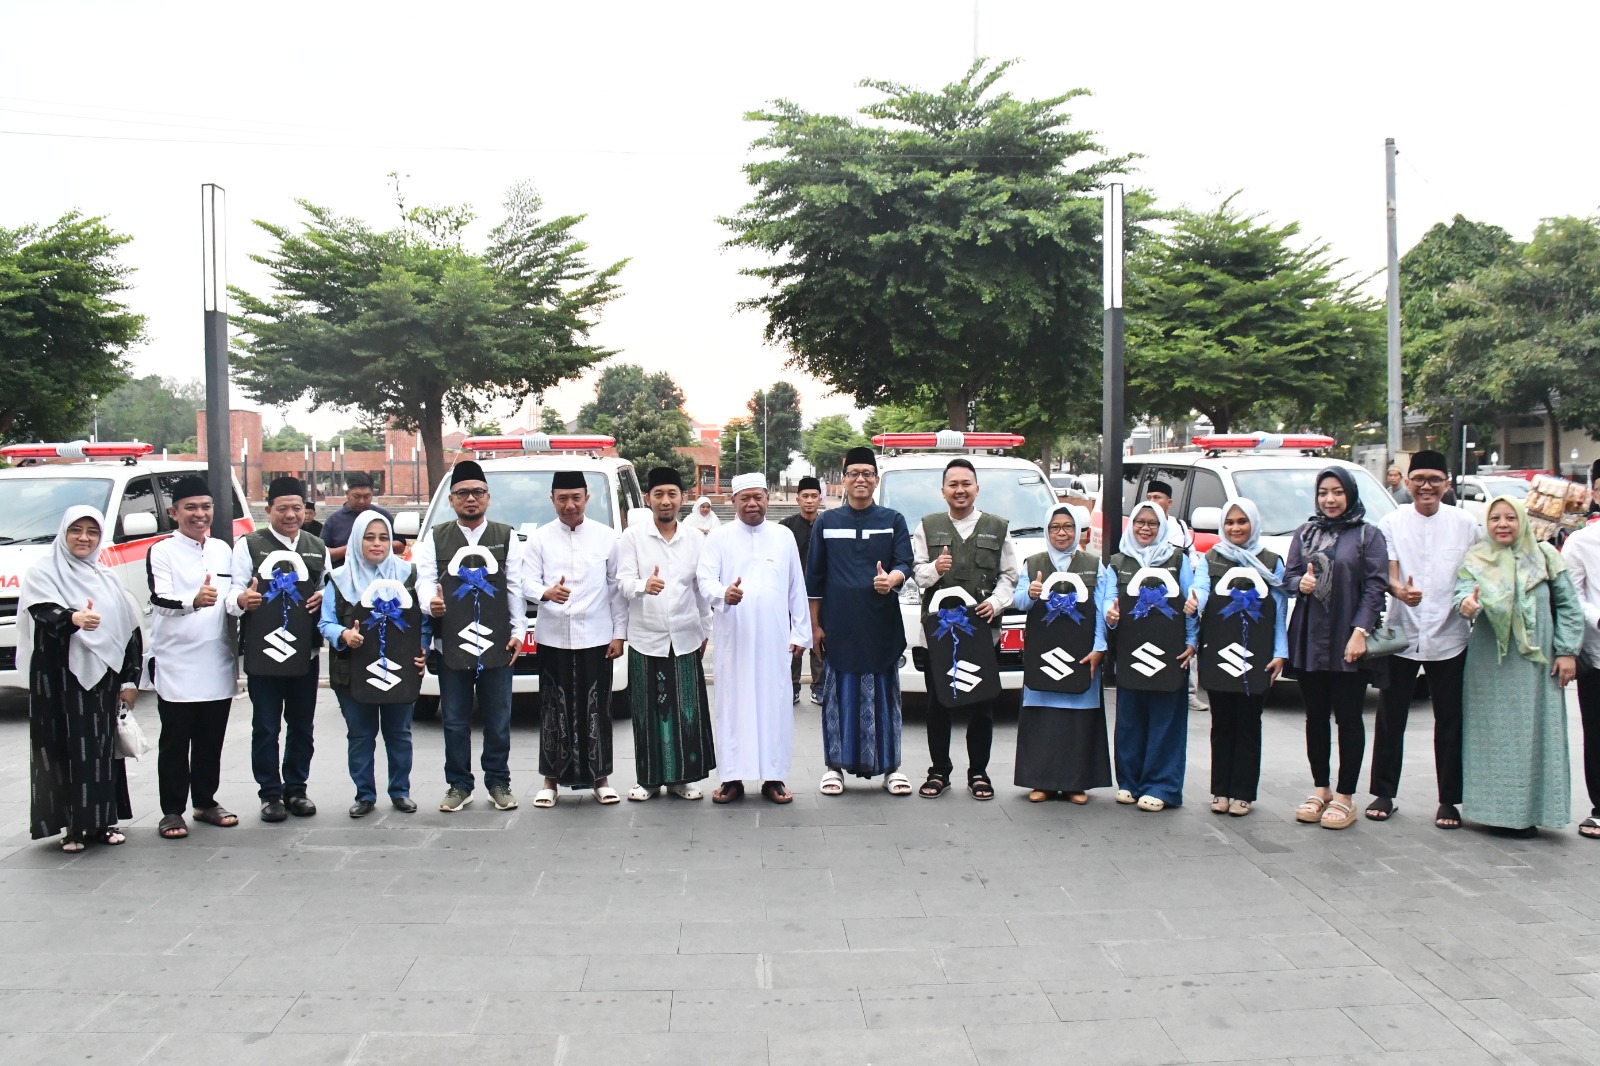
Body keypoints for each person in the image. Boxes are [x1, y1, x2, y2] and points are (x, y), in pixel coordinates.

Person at [1366, 450, 1480, 829]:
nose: (1426, 486)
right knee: (1390, 716)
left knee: (1450, 720)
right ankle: (1384, 792)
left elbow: (1477, 571)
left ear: (1447, 483)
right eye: (1419, 479)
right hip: (1403, 633)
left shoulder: (1466, 524)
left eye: (1434, 479)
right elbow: (1391, 570)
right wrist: (1399, 591)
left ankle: (1449, 799)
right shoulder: (1392, 521)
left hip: (1451, 636)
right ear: (1408, 482)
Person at [1457, 496, 1583, 837]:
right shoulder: (1477, 558)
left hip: (1536, 665)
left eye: (1510, 517)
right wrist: (1467, 605)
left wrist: (1567, 651)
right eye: (1495, 518)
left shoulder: (1545, 555)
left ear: (1523, 521)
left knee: (1535, 735)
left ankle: (1531, 812)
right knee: (1491, 737)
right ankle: (1491, 812)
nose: (1502, 524)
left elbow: (1569, 607)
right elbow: (1463, 593)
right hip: (1489, 666)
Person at [19, 507, 140, 851]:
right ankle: (70, 826)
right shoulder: (43, 572)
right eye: (76, 530)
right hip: (56, 677)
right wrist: (74, 617)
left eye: (92, 531)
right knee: (60, 748)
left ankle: (102, 822)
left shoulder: (107, 577)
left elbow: (128, 631)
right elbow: (42, 612)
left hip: (101, 678)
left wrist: (129, 680)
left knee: (99, 749)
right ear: (64, 532)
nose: (84, 538)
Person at [415, 460, 526, 813]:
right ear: (451, 499)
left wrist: (519, 631)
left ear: (488, 498)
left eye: (478, 492)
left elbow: (515, 587)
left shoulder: (505, 535)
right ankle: (459, 784)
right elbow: (424, 579)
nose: (471, 499)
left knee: (497, 718)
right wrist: (428, 602)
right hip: (452, 641)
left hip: (496, 643)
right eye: (463, 493)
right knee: (456, 720)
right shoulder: (436, 536)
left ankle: (498, 781)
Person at [697, 472, 811, 804]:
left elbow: (795, 587)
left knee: (774, 705)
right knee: (733, 705)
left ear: (767, 498)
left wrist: (800, 631)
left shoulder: (783, 536)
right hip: (735, 638)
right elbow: (705, 579)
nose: (752, 503)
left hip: (775, 638)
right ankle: (732, 778)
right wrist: (723, 594)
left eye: (758, 497)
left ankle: (773, 777)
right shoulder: (718, 538)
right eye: (745, 498)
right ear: (733, 502)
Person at [1284, 467, 1388, 831]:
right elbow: (1288, 578)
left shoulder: (1367, 535)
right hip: (1311, 638)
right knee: (1314, 717)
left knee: (1348, 717)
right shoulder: (1306, 532)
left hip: (1348, 639)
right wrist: (1303, 583)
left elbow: (1376, 587)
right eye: (1324, 492)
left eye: (1338, 492)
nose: (1330, 499)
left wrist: (1361, 631)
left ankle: (1345, 796)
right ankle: (1321, 788)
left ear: (1350, 494)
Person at [807, 447, 915, 796]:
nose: (860, 479)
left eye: (867, 473)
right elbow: (815, 580)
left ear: (875, 479)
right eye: (853, 473)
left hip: (881, 624)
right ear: (843, 478)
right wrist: (814, 625)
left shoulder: (892, 519)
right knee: (837, 698)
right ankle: (833, 768)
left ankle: (891, 768)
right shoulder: (826, 522)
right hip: (839, 625)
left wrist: (892, 580)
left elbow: (904, 562)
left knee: (886, 697)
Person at [910, 458, 1018, 800]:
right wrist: (936, 569)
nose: (960, 490)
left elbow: (1010, 575)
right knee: (938, 705)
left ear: (976, 488)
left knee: (981, 704)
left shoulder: (997, 527)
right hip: (937, 636)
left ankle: (979, 772)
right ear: (943, 491)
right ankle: (939, 771)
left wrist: (998, 603)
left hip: (982, 633)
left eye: (966, 483)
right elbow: (917, 574)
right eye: (953, 484)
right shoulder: (927, 526)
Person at [227, 475, 328, 823]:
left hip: (307, 654)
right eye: (282, 508)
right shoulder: (249, 545)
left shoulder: (317, 545)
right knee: (266, 726)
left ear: (307, 511)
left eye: (297, 508)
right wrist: (242, 599)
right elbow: (232, 594)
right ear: (268, 509)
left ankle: (296, 789)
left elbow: (328, 590)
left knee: (302, 725)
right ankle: (270, 793)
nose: (290, 515)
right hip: (263, 653)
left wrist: (324, 597)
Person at [524, 469, 627, 807]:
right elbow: (525, 582)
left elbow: (616, 590)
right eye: (562, 499)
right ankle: (549, 782)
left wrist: (618, 634)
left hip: (596, 637)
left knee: (597, 709)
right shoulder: (539, 539)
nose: (569, 505)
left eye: (576, 498)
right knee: (553, 710)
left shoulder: (606, 537)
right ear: (551, 499)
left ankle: (602, 779)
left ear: (587, 498)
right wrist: (545, 592)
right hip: (553, 637)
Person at [146, 475, 240, 840]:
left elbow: (229, 597)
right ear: (174, 513)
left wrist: (240, 602)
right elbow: (160, 599)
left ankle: (205, 801)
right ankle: (172, 811)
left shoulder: (221, 549)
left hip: (215, 658)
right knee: (175, 740)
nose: (199, 514)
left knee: (210, 738)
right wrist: (192, 602)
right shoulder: (162, 551)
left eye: (205, 507)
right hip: (176, 662)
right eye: (190, 508)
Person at [616, 466, 716, 801]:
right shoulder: (633, 537)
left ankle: (682, 779)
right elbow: (623, 583)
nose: (665, 500)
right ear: (648, 499)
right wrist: (646, 585)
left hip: (686, 637)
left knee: (686, 710)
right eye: (658, 494)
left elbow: (701, 591)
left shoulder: (696, 540)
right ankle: (647, 780)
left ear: (683, 498)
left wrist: (705, 630)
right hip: (647, 638)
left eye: (672, 494)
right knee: (647, 712)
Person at [319, 511, 426, 816]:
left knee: (399, 733)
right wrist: (343, 634)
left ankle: (400, 791)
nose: (377, 544)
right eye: (369, 537)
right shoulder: (339, 579)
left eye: (383, 537)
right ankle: (364, 794)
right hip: (352, 671)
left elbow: (424, 621)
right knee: (361, 734)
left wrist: (423, 649)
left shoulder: (408, 575)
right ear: (357, 540)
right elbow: (325, 622)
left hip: (399, 669)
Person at [1191, 498, 1288, 817]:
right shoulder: (1212, 557)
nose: (1235, 528)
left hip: (1256, 654)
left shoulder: (1271, 561)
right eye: (1229, 522)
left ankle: (1243, 793)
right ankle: (1220, 790)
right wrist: (1195, 602)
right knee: (1221, 724)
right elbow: (1201, 588)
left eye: (1242, 521)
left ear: (1253, 524)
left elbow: (1279, 610)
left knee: (1248, 723)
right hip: (1218, 650)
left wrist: (1280, 653)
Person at [1011, 503, 1111, 803]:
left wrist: (1099, 648)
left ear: (1077, 530)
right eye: (1055, 527)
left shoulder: (1094, 565)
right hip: (1044, 653)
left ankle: (1074, 784)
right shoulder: (1033, 562)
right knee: (1043, 717)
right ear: (1047, 530)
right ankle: (1040, 781)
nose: (1062, 533)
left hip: (1081, 653)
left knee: (1077, 719)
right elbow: (1017, 602)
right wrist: (1030, 594)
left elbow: (1102, 610)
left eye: (1068, 526)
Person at [1104, 501, 1199, 812]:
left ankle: (1162, 786)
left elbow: (1191, 602)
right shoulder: (1117, 561)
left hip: (1170, 653)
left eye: (1152, 523)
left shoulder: (1176, 558)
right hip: (1131, 650)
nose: (1145, 528)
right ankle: (1130, 783)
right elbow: (1107, 600)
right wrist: (1111, 616)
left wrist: (1191, 641)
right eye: (1139, 522)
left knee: (1165, 719)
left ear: (1162, 527)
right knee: (1130, 719)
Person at [1562, 468, 1600, 839]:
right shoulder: (1581, 542)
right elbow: (1574, 596)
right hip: (1597, 654)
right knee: (1597, 733)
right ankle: (1599, 809)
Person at [782, 475, 826, 705]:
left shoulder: (827, 524)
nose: (809, 501)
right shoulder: (786, 528)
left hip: (821, 593)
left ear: (820, 498)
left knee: (819, 638)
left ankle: (819, 686)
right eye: (805, 496)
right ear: (798, 499)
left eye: (813, 496)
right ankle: (792, 686)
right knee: (794, 640)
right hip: (792, 594)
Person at [321, 472, 394, 566]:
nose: (362, 501)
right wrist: (353, 547)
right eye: (356, 496)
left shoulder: (383, 516)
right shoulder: (334, 520)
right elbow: (322, 554)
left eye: (367, 496)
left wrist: (376, 547)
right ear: (347, 493)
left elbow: (400, 545)